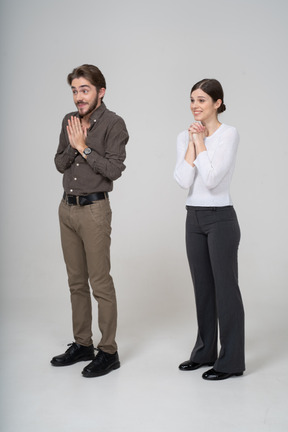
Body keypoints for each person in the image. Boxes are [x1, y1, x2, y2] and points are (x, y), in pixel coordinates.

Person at [51, 64, 129, 378]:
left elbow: (114, 170)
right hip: (67, 209)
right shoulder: (69, 121)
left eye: (85, 90)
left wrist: (83, 147)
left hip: (94, 210)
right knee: (75, 283)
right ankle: (82, 344)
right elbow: (58, 163)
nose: (79, 97)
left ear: (100, 91)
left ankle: (108, 352)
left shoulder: (114, 123)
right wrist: (72, 147)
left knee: (100, 283)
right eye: (75, 90)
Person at [174, 79, 245, 381]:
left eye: (202, 100)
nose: (195, 106)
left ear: (217, 102)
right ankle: (204, 352)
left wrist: (199, 143)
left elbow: (214, 179)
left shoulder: (229, 134)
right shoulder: (184, 135)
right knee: (203, 289)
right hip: (194, 218)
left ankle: (230, 362)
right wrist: (191, 142)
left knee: (225, 291)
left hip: (221, 218)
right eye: (192, 100)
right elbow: (181, 179)